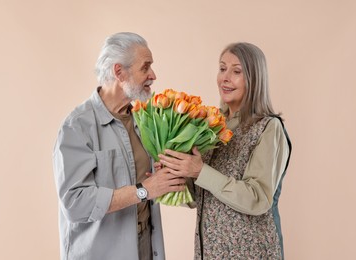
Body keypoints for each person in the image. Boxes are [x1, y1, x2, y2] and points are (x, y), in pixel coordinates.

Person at [52, 32, 186, 260]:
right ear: (119, 72)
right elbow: (75, 203)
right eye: (145, 67)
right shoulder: (77, 127)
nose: (153, 75)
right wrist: (144, 190)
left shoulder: (145, 121)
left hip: (145, 247)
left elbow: (150, 181)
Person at [158, 42, 292, 259]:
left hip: (250, 252)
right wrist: (172, 174)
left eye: (236, 71)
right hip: (210, 252)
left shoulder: (268, 127)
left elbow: (258, 198)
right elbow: (197, 197)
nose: (225, 78)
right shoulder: (211, 125)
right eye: (222, 68)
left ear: (254, 79)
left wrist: (200, 172)